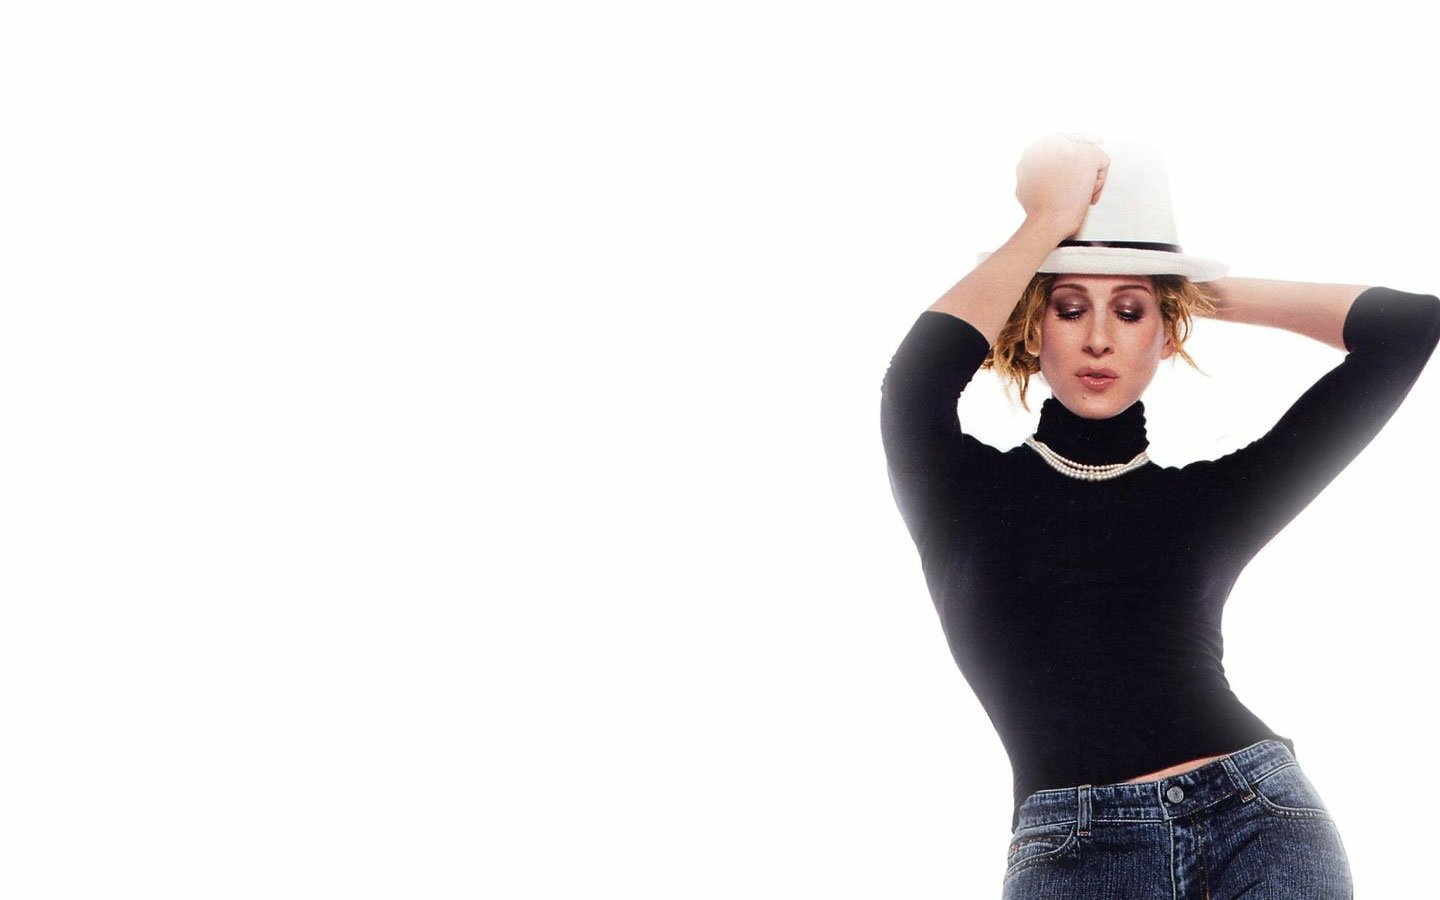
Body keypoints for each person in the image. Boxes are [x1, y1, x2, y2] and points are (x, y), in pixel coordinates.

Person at [878, 133, 1440, 898]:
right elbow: (914, 378)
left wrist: (1185, 285)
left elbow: (1409, 326)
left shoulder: (1210, 502)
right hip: (1072, 852)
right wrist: (1045, 221)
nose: (1101, 337)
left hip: (1259, 820)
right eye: (1069, 308)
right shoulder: (958, 487)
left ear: (1167, 333)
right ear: (1031, 326)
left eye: (1133, 311)